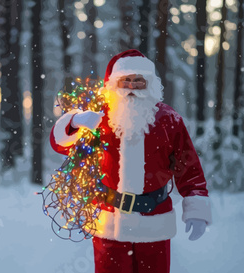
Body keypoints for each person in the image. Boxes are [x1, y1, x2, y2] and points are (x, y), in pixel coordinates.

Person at [49, 49, 212, 273]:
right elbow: (61, 145)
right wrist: (76, 121)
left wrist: (196, 209)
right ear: (114, 84)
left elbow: (189, 168)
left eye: (139, 81)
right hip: (109, 223)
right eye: (126, 81)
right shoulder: (99, 118)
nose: (132, 87)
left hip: (154, 223)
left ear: (150, 84)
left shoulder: (168, 119)